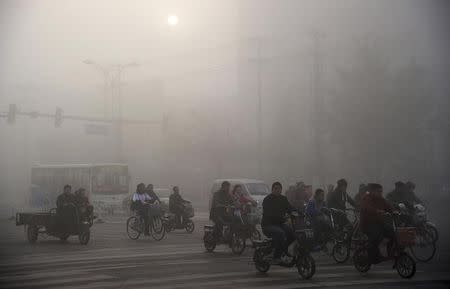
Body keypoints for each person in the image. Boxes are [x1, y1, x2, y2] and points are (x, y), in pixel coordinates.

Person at [360, 183, 394, 264]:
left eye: (381, 191)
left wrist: (394, 211)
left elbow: (388, 205)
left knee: (393, 233)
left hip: (379, 223)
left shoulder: (381, 199)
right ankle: (372, 257)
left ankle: (390, 253)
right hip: (368, 224)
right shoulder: (366, 198)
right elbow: (367, 207)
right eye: (378, 191)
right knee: (377, 237)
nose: (380, 193)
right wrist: (376, 211)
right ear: (372, 191)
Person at [261, 182, 295, 265]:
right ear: (272, 189)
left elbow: (290, 208)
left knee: (293, 234)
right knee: (280, 233)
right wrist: (283, 218)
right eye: (275, 188)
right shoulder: (267, 199)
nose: (277, 190)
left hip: (280, 224)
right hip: (268, 225)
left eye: (279, 189)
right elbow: (269, 214)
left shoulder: (283, 199)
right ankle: (276, 256)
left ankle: (283, 250)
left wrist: (299, 212)